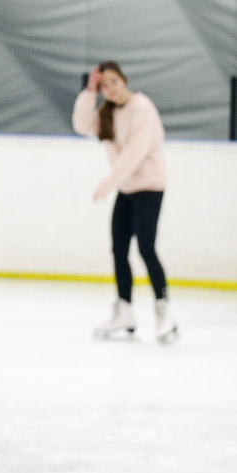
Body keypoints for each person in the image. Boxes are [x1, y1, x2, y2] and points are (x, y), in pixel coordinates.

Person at [72, 61, 177, 343]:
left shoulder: (143, 108)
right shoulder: (107, 113)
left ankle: (164, 311)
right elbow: (81, 125)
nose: (110, 90)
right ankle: (125, 310)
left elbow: (135, 153)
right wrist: (89, 93)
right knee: (119, 249)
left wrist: (108, 183)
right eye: (104, 86)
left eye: (113, 82)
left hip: (150, 187)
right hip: (127, 188)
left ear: (124, 80)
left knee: (146, 248)